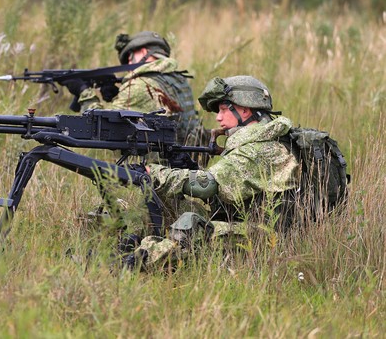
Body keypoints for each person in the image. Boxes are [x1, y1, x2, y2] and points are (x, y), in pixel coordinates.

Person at [129, 75, 301, 270]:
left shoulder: (259, 149)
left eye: (223, 109)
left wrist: (156, 172)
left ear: (244, 109)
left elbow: (206, 185)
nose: (218, 117)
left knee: (192, 225)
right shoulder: (259, 141)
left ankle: (136, 263)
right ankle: (134, 242)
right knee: (171, 200)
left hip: (266, 237)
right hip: (243, 226)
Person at [62, 31, 199, 143]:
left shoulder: (139, 85)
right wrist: (118, 95)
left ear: (144, 52)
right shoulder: (179, 80)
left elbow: (99, 125)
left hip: (153, 169)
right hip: (183, 161)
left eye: (130, 56)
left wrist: (83, 91)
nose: (128, 61)